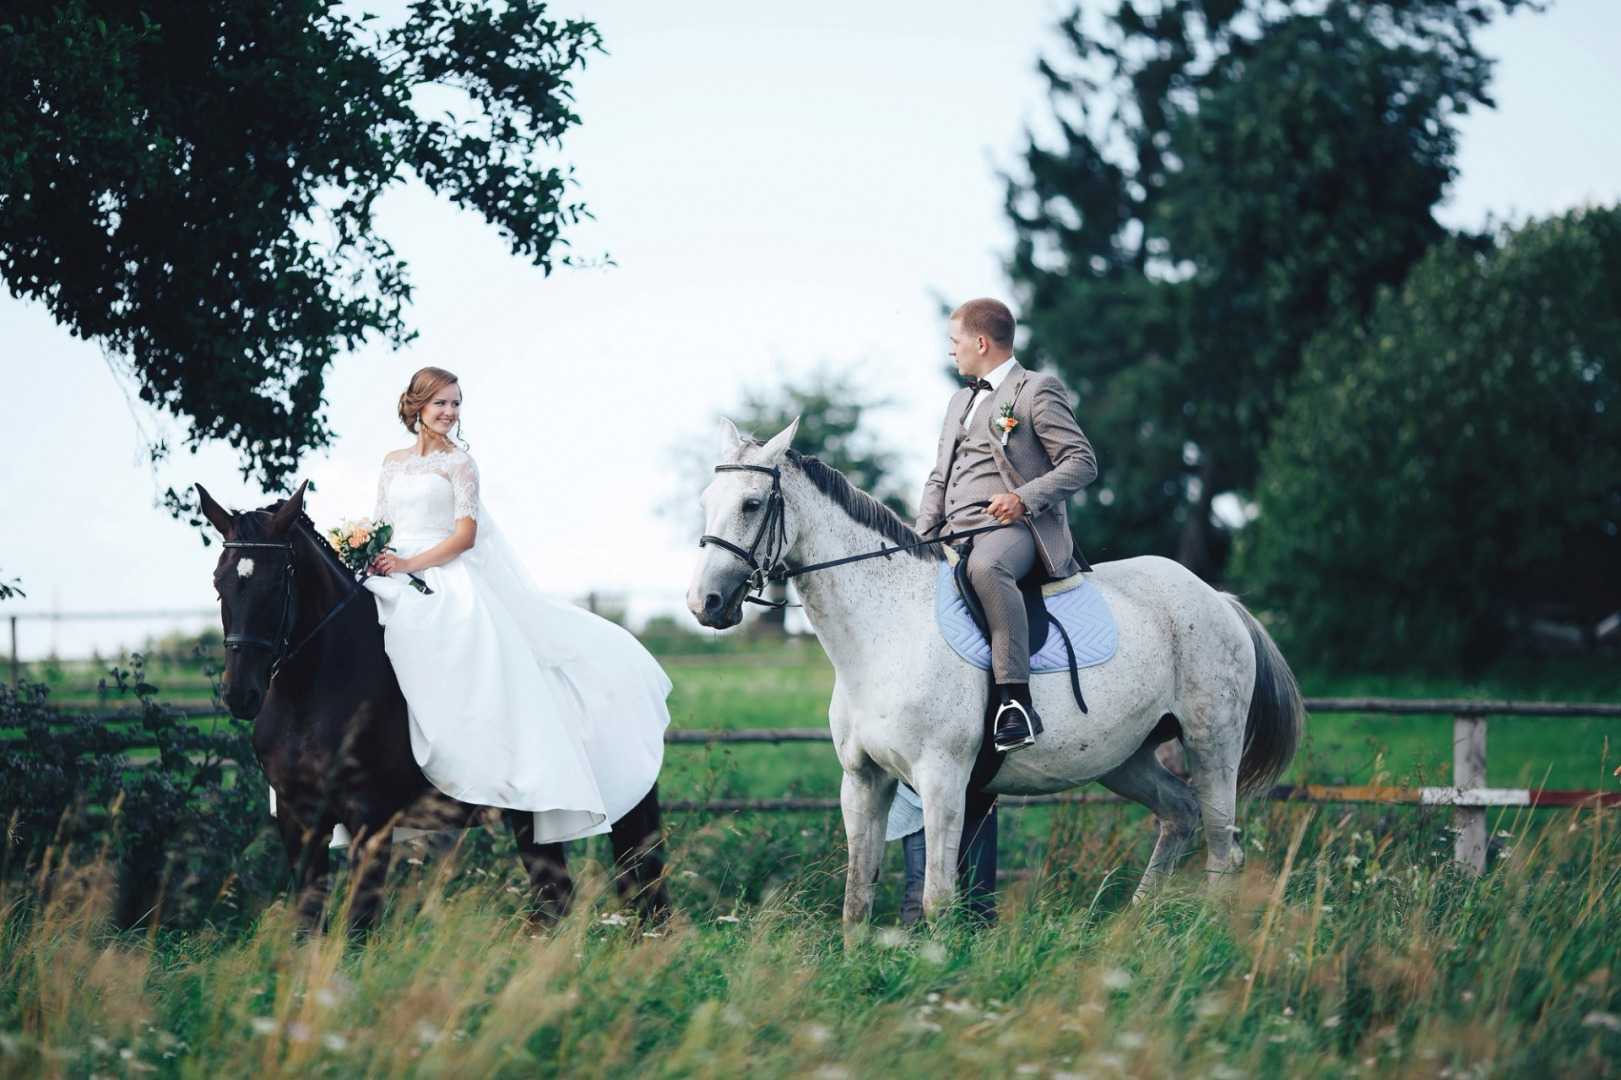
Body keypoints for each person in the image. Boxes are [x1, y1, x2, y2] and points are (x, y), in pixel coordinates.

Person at [365, 366, 671, 843]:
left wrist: (410, 565)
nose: (450, 412)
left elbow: (464, 537)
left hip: (442, 574)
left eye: (456, 403)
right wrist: (369, 554)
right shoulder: (392, 461)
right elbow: (381, 522)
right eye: (441, 402)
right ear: (417, 405)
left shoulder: (459, 463)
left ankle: (470, 761)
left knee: (446, 642)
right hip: (392, 570)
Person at [916, 299, 1097, 751]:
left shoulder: (1038, 389)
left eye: (954, 342)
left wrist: (1022, 499)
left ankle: (1015, 703)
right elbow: (940, 477)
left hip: (1015, 532)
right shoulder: (959, 400)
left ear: (980, 342)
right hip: (953, 531)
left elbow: (1082, 462)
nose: (950, 352)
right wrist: (917, 538)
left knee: (986, 568)